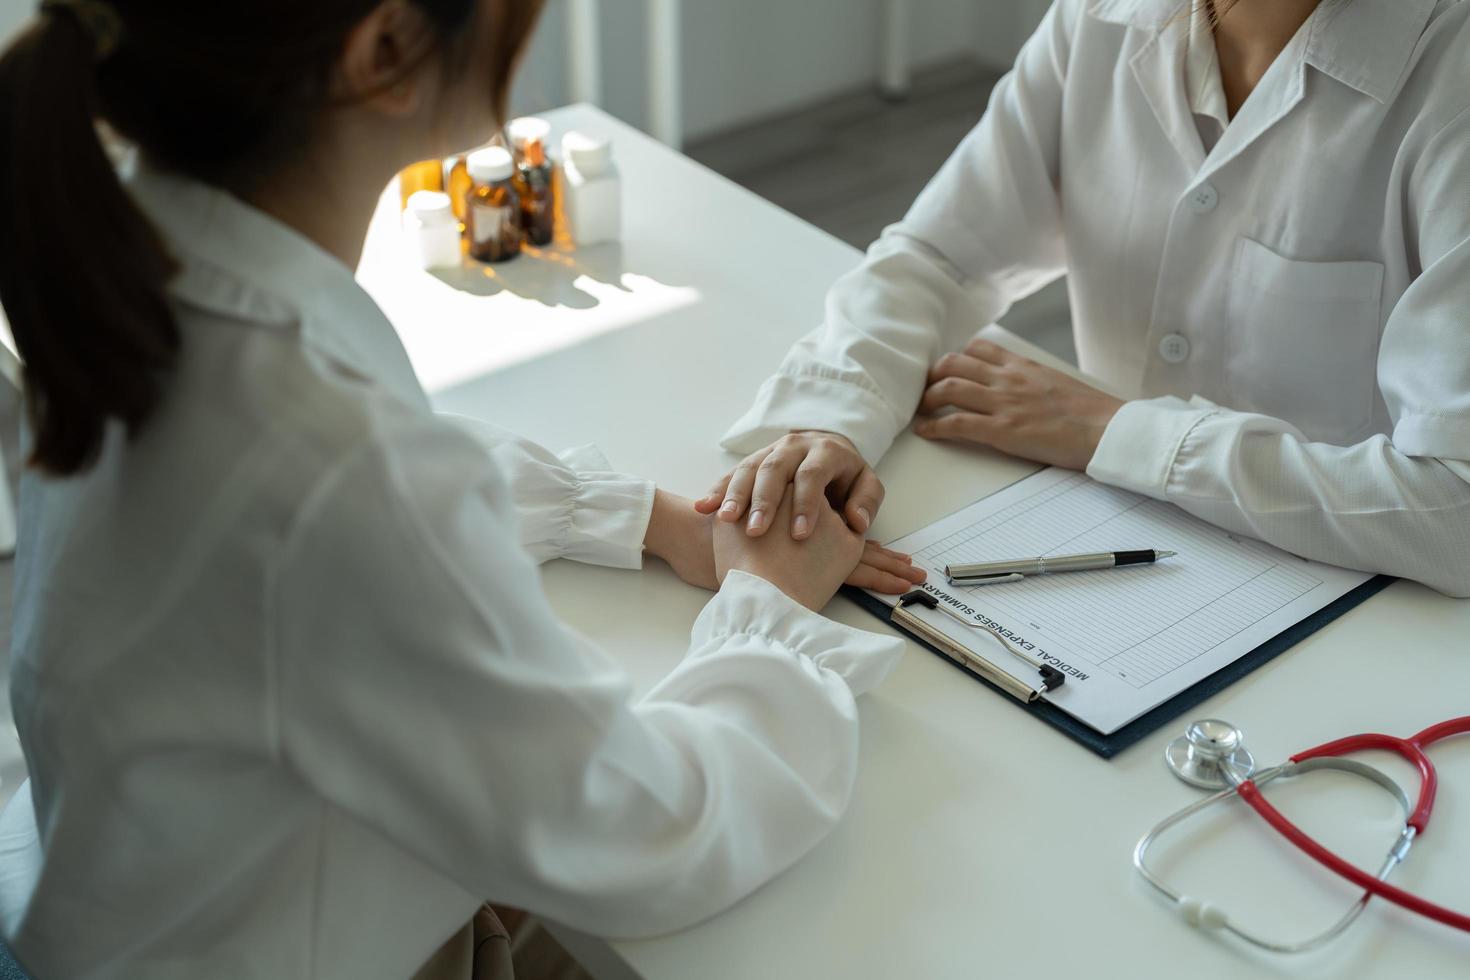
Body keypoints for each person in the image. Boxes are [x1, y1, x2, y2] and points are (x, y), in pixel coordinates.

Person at [0, 1, 927, 976]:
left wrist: (645, 516)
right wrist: (768, 609)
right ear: (388, 46)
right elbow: (642, 834)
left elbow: (378, 483)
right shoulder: (328, 459)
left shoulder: (127, 251)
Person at [705, 0, 1470, 598]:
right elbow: (943, 254)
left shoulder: (1450, 80)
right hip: (1118, 540)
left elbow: (1455, 512)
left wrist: (1119, 433)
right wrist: (839, 414)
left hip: (1361, 601)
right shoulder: (1103, 18)